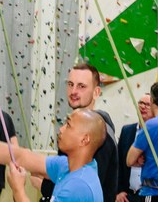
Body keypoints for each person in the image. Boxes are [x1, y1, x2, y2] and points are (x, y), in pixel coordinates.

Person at [0, 109, 106, 202]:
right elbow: (21, 156)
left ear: (84, 140)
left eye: (68, 125)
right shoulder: (67, 165)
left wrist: (18, 190)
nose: (61, 129)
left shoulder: (79, 185)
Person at [40, 63, 118, 202]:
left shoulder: (99, 135)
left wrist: (43, 186)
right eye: (70, 84)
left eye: (81, 86)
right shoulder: (76, 129)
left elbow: (82, 189)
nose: (73, 91)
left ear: (96, 92)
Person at [117, 93, 154, 202]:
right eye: (141, 103)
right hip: (126, 195)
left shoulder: (157, 134)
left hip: (148, 195)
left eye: (147, 104)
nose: (143, 107)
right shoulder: (127, 131)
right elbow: (118, 163)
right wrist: (118, 191)